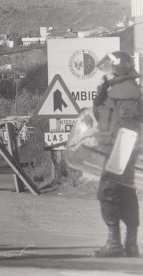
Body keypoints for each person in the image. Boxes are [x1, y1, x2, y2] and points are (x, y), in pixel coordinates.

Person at [91, 51, 142, 258]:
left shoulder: (125, 91)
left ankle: (115, 243)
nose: (106, 74)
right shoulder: (120, 90)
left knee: (107, 192)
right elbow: (103, 117)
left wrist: (118, 152)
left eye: (109, 70)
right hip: (119, 150)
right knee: (125, 193)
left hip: (119, 150)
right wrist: (100, 97)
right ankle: (129, 244)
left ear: (118, 69)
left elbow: (127, 124)